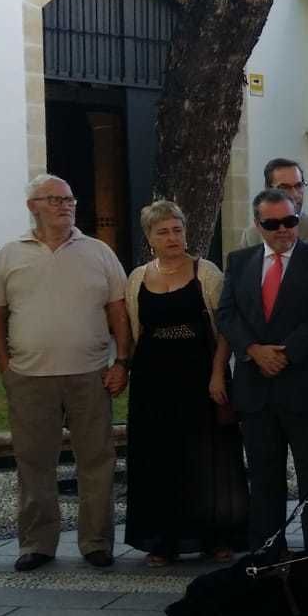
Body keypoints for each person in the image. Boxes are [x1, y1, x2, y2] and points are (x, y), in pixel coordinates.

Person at [0, 174, 130, 571]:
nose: (65, 205)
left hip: (90, 373)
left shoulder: (99, 251)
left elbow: (118, 310)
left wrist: (122, 362)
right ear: (33, 206)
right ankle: (37, 544)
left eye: (69, 199)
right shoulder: (9, 254)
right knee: (33, 462)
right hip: (29, 376)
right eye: (54, 199)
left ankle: (97, 542)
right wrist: (4, 365)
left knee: (97, 461)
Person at [216, 189, 308, 561]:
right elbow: (226, 314)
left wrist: (286, 353)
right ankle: (267, 551)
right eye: (273, 224)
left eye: (290, 221)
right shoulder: (240, 261)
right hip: (256, 391)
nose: (283, 230)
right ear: (258, 225)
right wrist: (254, 351)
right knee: (263, 476)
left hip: (307, 388)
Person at [123, 200, 249, 566]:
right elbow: (136, 331)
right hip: (153, 381)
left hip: (201, 377)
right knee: (158, 459)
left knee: (210, 459)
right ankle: (163, 539)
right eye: (163, 231)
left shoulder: (205, 272)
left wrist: (216, 373)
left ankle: (216, 537)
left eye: (177, 229)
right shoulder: (137, 278)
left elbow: (224, 327)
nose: (172, 237)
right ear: (149, 237)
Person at [238, 158, 308, 253]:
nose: (294, 194)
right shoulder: (251, 237)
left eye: (298, 186)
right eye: (284, 187)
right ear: (268, 190)